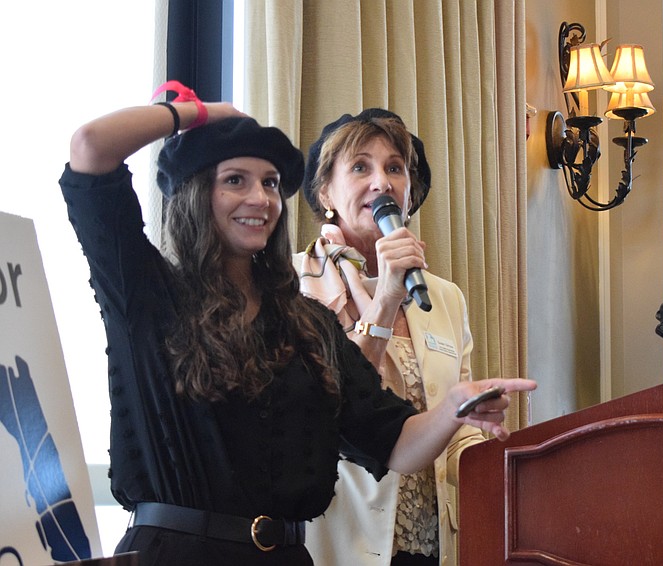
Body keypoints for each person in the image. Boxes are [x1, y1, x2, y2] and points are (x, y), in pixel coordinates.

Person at [59, 86, 536, 566]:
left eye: (269, 183)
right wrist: (204, 113)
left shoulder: (306, 325)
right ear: (196, 193)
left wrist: (453, 407)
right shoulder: (148, 296)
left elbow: (394, 443)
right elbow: (91, 148)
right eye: (236, 180)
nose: (259, 197)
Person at [295, 109, 482, 566]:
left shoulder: (444, 296)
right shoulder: (293, 286)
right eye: (361, 167)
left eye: (394, 168)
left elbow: (457, 430)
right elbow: (331, 410)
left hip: (436, 544)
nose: (382, 181)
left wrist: (499, 452)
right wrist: (386, 299)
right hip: (341, 540)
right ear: (325, 194)